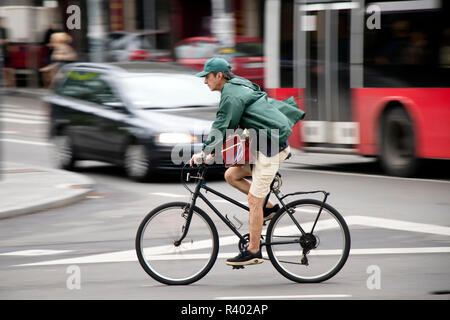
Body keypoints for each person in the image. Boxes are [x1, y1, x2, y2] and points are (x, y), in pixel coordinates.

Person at [190, 57, 305, 266]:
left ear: (219, 75)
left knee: (253, 200)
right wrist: (213, 151)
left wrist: (205, 152)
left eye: (207, 77)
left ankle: (253, 251)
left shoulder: (231, 96)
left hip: (271, 147)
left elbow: (222, 124)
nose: (204, 81)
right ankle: (269, 209)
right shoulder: (236, 84)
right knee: (231, 175)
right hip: (262, 141)